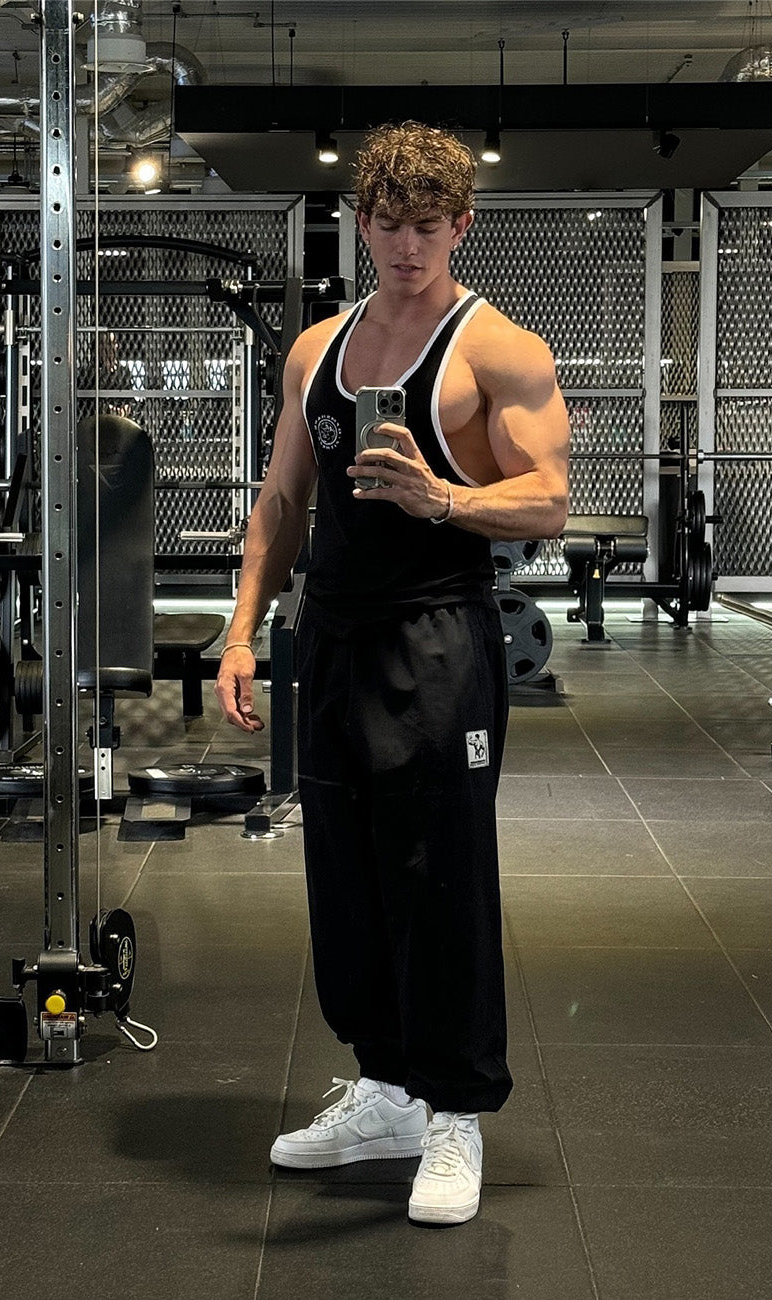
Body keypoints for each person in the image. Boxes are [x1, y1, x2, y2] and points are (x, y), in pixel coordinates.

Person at [215, 120, 569, 1226]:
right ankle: (386, 1090)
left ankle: (455, 1109)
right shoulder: (315, 349)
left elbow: (549, 499)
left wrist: (445, 499)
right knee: (348, 869)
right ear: (359, 223)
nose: (406, 246)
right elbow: (283, 499)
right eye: (387, 224)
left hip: (439, 638)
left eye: (426, 226)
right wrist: (241, 631)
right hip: (333, 636)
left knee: (440, 872)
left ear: (461, 225)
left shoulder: (500, 349)